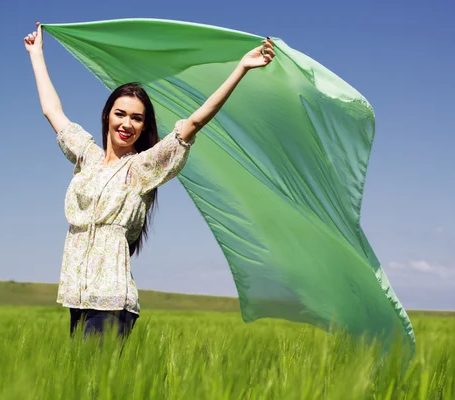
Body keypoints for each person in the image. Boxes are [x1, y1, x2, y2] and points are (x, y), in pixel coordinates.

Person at [24, 21, 275, 338]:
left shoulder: (139, 168)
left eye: (136, 118)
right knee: (86, 385)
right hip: (78, 295)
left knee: (96, 385)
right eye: (120, 113)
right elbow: (52, 110)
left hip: (111, 300)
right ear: (107, 116)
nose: (126, 123)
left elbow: (194, 123)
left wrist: (241, 69)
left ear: (144, 127)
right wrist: (37, 54)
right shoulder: (87, 156)